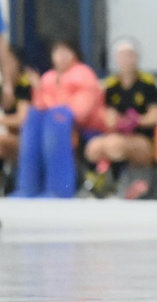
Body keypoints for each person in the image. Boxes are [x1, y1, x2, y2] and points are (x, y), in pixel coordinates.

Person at [12, 40, 104, 198]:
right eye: (57, 52)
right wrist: (38, 89)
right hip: (50, 126)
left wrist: (53, 109)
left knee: (57, 119)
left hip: (82, 128)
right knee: (33, 119)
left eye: (65, 52)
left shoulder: (84, 74)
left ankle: (59, 188)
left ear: (74, 54)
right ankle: (29, 187)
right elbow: (40, 106)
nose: (61, 56)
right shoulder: (48, 77)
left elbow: (81, 112)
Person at [82, 38, 157, 196]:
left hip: (142, 138)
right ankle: (92, 184)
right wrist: (120, 122)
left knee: (115, 145)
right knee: (93, 147)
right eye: (122, 56)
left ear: (136, 57)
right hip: (118, 135)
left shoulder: (148, 83)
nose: (126, 60)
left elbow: (154, 117)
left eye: (129, 55)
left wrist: (136, 121)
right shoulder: (112, 85)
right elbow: (109, 118)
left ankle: (115, 184)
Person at [0, 47, 35, 193]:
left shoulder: (24, 85)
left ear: (17, 63)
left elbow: (22, 119)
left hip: (27, 140)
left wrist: (2, 121)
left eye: (9, 61)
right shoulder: (3, 87)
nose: (5, 66)